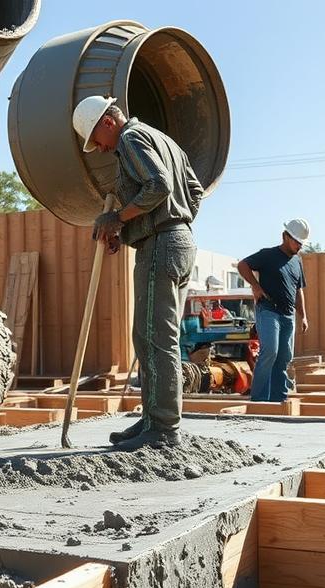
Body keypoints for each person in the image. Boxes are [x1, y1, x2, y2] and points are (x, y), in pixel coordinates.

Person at [71, 95, 203, 449]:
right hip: (178, 242)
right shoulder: (165, 141)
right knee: (153, 336)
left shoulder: (130, 139)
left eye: (97, 140)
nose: (100, 149)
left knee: (154, 338)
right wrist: (139, 229)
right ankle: (153, 419)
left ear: (108, 122)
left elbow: (158, 186)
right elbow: (193, 192)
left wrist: (118, 218)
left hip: (162, 246)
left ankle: (163, 428)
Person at [237, 220, 310, 402]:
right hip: (268, 310)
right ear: (285, 236)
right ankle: (259, 400)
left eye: (302, 243)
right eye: (297, 242)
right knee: (270, 350)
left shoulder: (297, 261)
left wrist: (303, 316)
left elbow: (298, 290)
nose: (299, 246)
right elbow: (242, 265)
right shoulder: (267, 255)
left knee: (284, 356)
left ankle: (278, 399)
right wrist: (255, 286)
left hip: (288, 315)